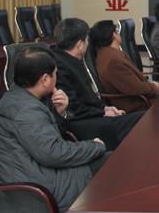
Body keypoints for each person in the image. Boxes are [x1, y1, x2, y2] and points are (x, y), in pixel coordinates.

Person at [0, 47, 107, 213]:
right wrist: (95, 146)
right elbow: (54, 153)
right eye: (55, 74)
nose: (57, 78)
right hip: (33, 198)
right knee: (110, 164)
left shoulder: (23, 99)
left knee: (108, 163)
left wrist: (61, 113)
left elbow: (45, 139)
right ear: (44, 79)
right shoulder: (25, 111)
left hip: (36, 181)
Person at [53, 18, 143, 151]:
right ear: (80, 45)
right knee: (142, 122)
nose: (88, 44)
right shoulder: (59, 67)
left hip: (91, 116)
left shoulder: (70, 60)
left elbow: (88, 97)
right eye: (87, 40)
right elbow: (73, 107)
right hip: (81, 124)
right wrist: (102, 112)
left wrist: (105, 108)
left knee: (142, 119)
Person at [91, 20, 159, 113]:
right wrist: (154, 87)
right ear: (114, 35)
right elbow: (135, 88)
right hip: (137, 105)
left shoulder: (109, 55)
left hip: (141, 98)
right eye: (117, 30)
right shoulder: (112, 61)